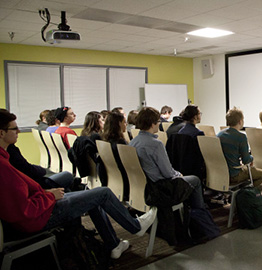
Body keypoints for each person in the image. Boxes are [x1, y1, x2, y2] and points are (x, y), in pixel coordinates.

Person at [0, 108, 157, 260]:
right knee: (103, 193)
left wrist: (46, 194)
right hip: (39, 216)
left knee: (92, 197)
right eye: (14, 129)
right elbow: (24, 210)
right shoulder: (3, 168)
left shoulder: (5, 159)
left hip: (40, 207)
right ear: (1, 133)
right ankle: (135, 227)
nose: (19, 132)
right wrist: (49, 197)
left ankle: (114, 245)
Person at [129, 107, 207, 245]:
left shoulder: (133, 142)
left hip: (146, 189)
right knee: (195, 179)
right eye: (157, 121)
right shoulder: (155, 144)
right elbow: (168, 173)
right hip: (162, 189)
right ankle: (200, 223)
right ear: (152, 123)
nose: (159, 124)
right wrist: (179, 174)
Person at [217, 107, 262, 187]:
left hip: (221, 173)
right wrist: (252, 157)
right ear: (240, 121)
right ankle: (245, 192)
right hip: (234, 174)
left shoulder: (219, 134)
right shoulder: (241, 137)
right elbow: (246, 160)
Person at [102, 111, 129, 198]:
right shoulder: (120, 142)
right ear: (118, 124)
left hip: (112, 180)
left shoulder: (105, 141)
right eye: (124, 122)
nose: (126, 124)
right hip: (126, 179)